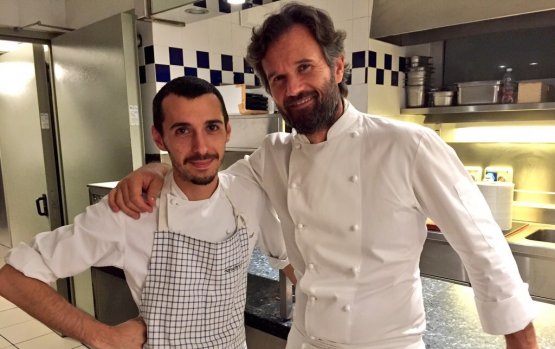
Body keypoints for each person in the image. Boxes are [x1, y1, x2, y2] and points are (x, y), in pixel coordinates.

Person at [108, 3, 539, 349]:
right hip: (305, 340)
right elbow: (208, 178)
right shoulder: (273, 156)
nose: (292, 88)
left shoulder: (407, 145)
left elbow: (484, 249)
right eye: (277, 78)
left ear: (337, 68)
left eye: (304, 68)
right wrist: (157, 166)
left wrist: (521, 339)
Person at [0, 76, 290, 349]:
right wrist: (102, 337)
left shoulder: (247, 191)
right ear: (159, 138)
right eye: (182, 131)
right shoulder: (131, 211)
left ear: (227, 131)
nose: (200, 147)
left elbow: (289, 260)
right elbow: (12, 277)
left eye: (211, 127)